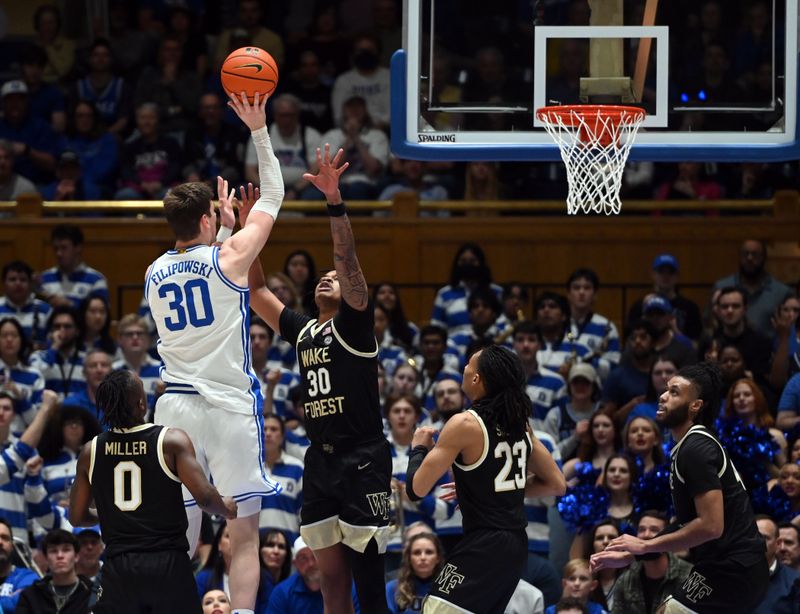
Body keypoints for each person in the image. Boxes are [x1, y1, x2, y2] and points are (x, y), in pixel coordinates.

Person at [145, 90, 284, 614]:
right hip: (226, 406)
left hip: (174, 411)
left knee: (180, 534)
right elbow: (271, 196)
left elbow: (201, 269)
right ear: (207, 219)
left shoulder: (154, 271)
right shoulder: (230, 255)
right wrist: (258, 128)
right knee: (243, 533)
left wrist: (222, 224)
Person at [246, 143, 392, 614]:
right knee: (331, 584)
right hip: (321, 462)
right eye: (322, 277)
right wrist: (250, 231)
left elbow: (346, 259)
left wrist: (334, 199)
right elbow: (257, 291)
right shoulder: (305, 329)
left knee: (369, 589)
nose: (329, 276)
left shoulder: (353, 324)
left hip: (363, 458)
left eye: (335, 276)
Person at [592, 363, 770, 613]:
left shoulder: (695, 449)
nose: (663, 396)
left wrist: (644, 546)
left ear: (695, 406)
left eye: (675, 392)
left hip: (735, 568)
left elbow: (710, 525)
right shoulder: (688, 446)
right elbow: (688, 523)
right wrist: (636, 554)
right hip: (727, 566)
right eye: (666, 390)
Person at [406, 344, 566, 613]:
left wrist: (419, 448)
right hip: (515, 545)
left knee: (436, 607)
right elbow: (557, 484)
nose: (464, 369)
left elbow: (415, 489)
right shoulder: (521, 424)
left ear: (477, 378)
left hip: (486, 543)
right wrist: (484, 486)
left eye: (468, 364)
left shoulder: (464, 424)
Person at [69, 370, 238, 613]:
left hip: (120, 567)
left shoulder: (91, 451)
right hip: (168, 563)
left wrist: (107, 515)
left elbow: (76, 516)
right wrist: (227, 508)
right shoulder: (170, 441)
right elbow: (206, 498)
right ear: (141, 403)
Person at [611, 511, 693, 614]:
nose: (646, 535)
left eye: (654, 530)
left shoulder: (689, 575)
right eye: (641, 530)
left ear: (669, 537)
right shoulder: (626, 580)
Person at [713, 239, 793, 338]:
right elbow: (709, 323)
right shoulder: (722, 287)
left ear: (764, 258)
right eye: (745, 254)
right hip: (729, 349)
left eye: (755, 254)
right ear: (739, 257)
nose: (749, 258)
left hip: (770, 351)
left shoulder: (782, 292)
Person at [266, 536, 360, 613]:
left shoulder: (347, 588)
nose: (311, 563)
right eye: (303, 558)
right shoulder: (282, 593)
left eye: (315, 556)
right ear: (295, 564)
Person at [14, 529, 94, 613]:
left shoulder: (92, 593)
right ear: (46, 558)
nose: (60, 556)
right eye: (53, 551)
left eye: (66, 550)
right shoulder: (31, 595)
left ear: (76, 556)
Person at [627, 255, 703, 343]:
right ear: (653, 274)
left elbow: (695, 343)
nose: (665, 276)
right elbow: (630, 339)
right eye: (661, 272)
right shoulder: (639, 306)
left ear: (677, 276)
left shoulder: (689, 308)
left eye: (670, 272)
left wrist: (676, 333)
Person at [38, 224, 109, 309]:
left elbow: (100, 315)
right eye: (56, 248)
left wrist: (69, 305)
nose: (58, 253)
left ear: (78, 248)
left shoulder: (96, 280)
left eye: (64, 248)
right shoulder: (44, 278)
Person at [385, 532, 444, 613]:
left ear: (438, 558)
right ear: (409, 558)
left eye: (429, 552)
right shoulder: (392, 589)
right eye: (417, 553)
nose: (423, 557)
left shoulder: (450, 590)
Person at [752, 515, 800, 614]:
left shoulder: (795, 582)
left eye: (764, 538)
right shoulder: (733, 574)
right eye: (752, 537)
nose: (757, 542)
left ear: (777, 544)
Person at [0, 516, 39, 612]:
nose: (0, 542)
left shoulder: (29, 578)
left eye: (5, 538)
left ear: (12, 546)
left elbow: (23, 605)